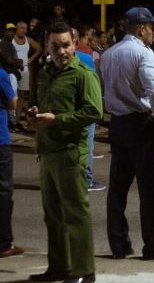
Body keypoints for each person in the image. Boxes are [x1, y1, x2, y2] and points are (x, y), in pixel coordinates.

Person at [99, 7, 154, 260]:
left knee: (117, 189)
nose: (153, 32)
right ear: (142, 28)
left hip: (118, 123)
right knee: (149, 188)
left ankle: (118, 244)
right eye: (151, 28)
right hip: (141, 124)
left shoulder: (108, 54)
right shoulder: (143, 53)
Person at [28, 22, 102, 283]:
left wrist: (57, 119)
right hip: (47, 152)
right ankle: (59, 267)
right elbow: (43, 104)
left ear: (75, 42)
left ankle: (84, 271)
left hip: (71, 153)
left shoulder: (83, 73)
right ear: (47, 45)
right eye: (55, 46)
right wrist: (35, 112)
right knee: (53, 214)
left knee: (75, 213)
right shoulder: (46, 72)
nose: (61, 51)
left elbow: (94, 112)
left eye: (66, 45)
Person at [71, 28, 106, 192]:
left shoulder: (83, 57)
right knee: (85, 146)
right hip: (80, 111)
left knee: (81, 147)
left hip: (82, 109)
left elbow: (93, 83)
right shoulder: (86, 56)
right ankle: (87, 181)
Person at [0, 60, 21, 258]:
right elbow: (13, 102)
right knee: (4, 191)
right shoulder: (1, 74)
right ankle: (4, 243)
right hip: (1, 141)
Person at [11, 21, 41, 134]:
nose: (24, 30)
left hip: (24, 70)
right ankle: (11, 121)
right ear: (17, 29)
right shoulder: (11, 39)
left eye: (26, 28)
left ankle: (17, 120)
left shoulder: (28, 40)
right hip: (12, 70)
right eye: (22, 28)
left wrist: (31, 59)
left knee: (22, 96)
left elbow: (39, 48)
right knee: (12, 95)